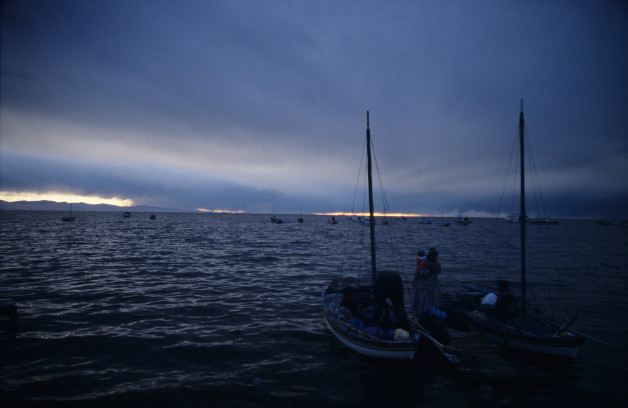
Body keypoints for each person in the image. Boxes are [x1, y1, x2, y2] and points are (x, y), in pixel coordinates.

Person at [412, 247, 442, 315]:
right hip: (423, 284)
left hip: (433, 283)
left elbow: (438, 271)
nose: (435, 256)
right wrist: (428, 270)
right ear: (430, 255)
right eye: (433, 254)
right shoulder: (424, 262)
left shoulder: (435, 262)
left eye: (435, 254)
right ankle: (422, 311)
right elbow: (420, 273)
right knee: (422, 298)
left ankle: (432, 311)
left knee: (433, 298)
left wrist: (432, 270)